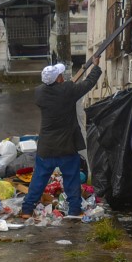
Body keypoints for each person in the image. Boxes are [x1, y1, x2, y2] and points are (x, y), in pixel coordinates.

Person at [21, 57, 102, 219]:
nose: (62, 76)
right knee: (71, 180)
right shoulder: (68, 90)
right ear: (58, 79)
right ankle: (74, 210)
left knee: (38, 180)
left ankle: (27, 210)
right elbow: (88, 84)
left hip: (47, 147)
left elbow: (58, 90)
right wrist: (96, 66)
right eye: (60, 74)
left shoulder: (39, 93)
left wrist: (65, 86)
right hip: (66, 146)